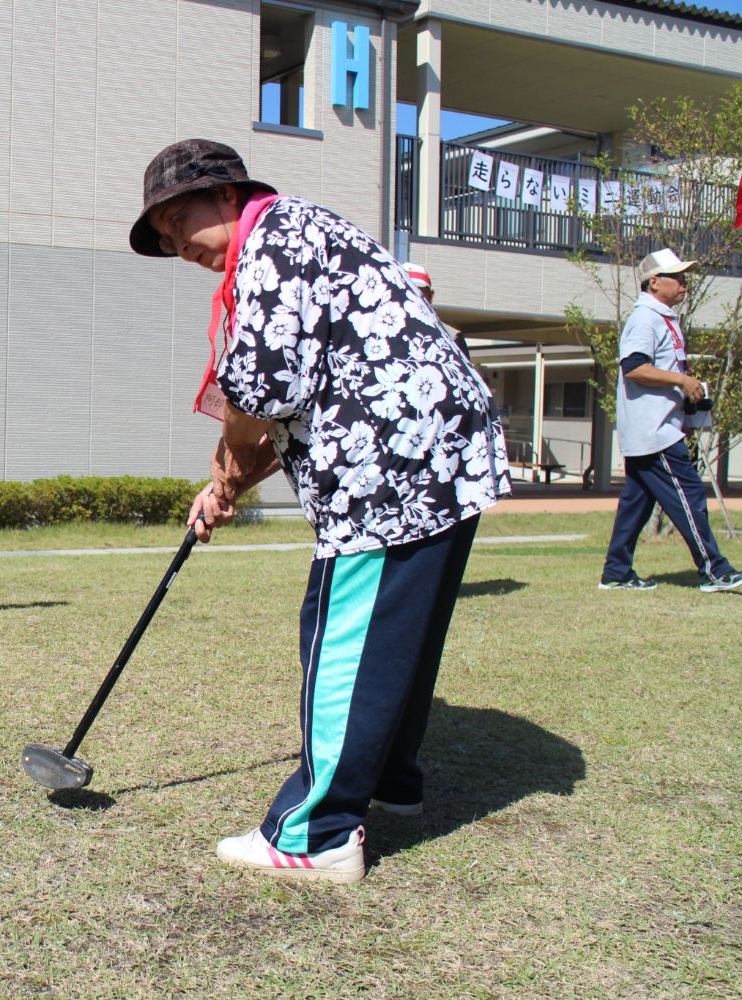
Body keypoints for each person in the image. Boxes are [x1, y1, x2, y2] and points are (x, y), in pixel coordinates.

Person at [130, 139, 513, 882]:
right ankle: (390, 780)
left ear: (229, 196)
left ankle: (317, 832)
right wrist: (230, 479)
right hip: (439, 454)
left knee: (345, 631)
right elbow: (299, 395)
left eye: (182, 223)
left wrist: (225, 472)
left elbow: (263, 390)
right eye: (169, 241)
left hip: (391, 467)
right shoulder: (303, 232)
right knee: (400, 629)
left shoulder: (272, 241)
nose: (182, 246)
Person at [599, 248, 740, 593]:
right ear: (654, 282)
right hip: (655, 430)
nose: (684, 283)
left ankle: (616, 573)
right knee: (689, 493)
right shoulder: (645, 317)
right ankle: (714, 569)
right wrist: (682, 381)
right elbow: (633, 367)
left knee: (636, 501)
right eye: (677, 277)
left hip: (659, 425)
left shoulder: (661, 317)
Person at [405, 262, 470, 356]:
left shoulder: (451, 337)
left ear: (430, 296)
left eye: (417, 293)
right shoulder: (379, 333)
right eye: (405, 292)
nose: (411, 298)